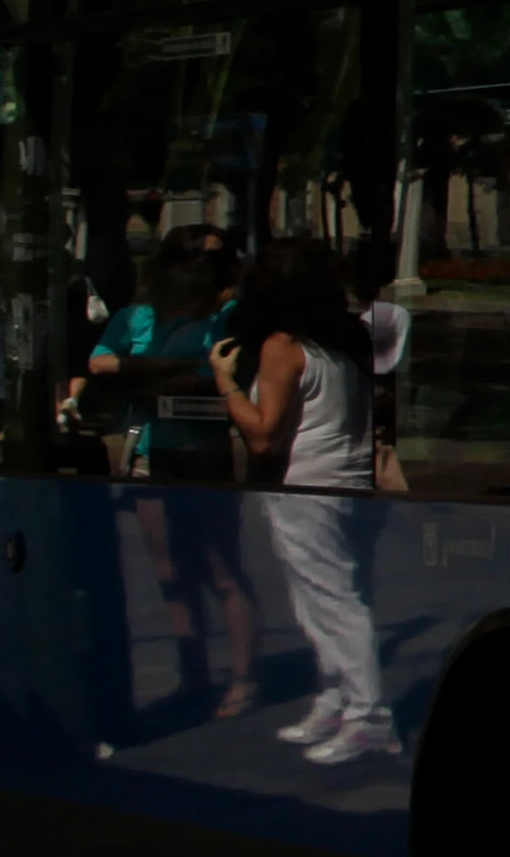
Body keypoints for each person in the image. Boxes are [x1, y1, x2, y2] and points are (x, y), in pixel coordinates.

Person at [213, 237, 393, 764]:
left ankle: (368, 715)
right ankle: (336, 698)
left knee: (333, 599)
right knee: (325, 595)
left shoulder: (283, 346)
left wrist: (226, 385)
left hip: (305, 486)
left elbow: (264, 436)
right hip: (349, 481)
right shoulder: (345, 341)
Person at [87, 226, 252, 718]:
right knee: (170, 569)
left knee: (221, 567)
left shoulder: (226, 316)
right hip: (148, 450)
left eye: (208, 261)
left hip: (203, 449)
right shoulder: (136, 316)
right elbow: (100, 363)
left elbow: (213, 376)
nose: (195, 269)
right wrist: (164, 369)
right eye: (185, 258)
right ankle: (193, 674)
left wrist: (140, 371)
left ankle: (243, 679)